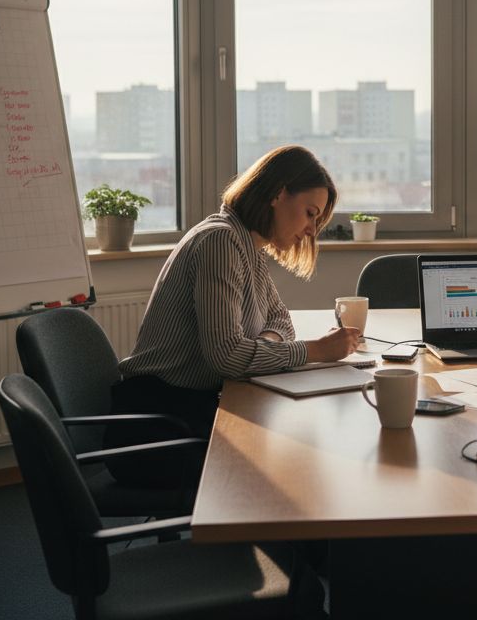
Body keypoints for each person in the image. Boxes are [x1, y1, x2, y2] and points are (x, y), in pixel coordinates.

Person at [105, 145, 362, 488]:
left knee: (299, 451)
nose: (312, 230)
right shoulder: (220, 242)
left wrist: (257, 347)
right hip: (156, 426)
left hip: (189, 408)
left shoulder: (247, 245)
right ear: (277, 194)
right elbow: (227, 357)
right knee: (297, 465)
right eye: (310, 213)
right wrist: (316, 351)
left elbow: (281, 321)